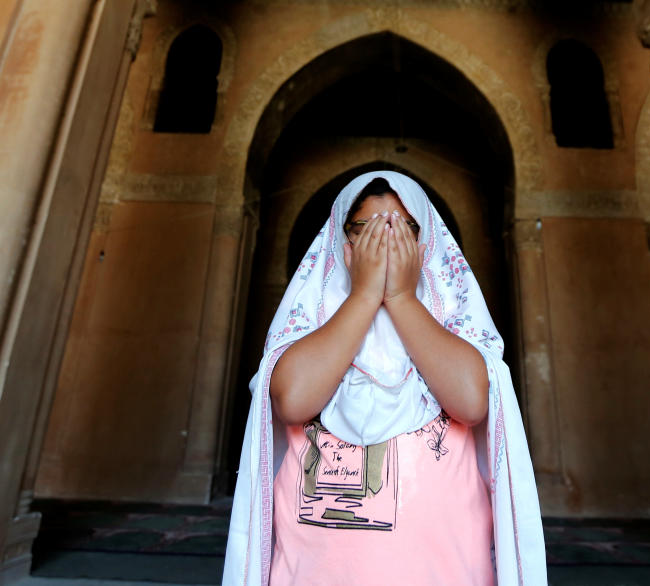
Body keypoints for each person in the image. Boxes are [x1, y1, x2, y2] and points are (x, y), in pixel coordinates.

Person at [222, 171, 546, 585]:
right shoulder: (313, 316)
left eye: (402, 228)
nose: (386, 240)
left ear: (424, 242)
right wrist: (362, 295)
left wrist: (401, 298)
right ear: (344, 245)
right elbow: (292, 400)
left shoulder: (452, 317)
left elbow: (470, 401)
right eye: (368, 229)